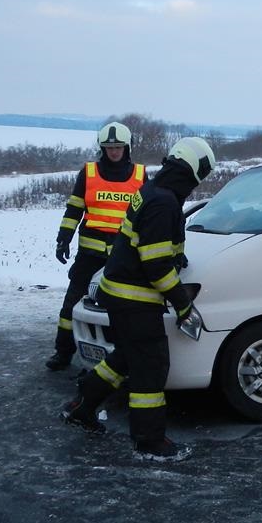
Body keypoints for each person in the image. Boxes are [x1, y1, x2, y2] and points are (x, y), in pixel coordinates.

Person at [60, 136, 215, 462]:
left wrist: (177, 254)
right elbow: (155, 264)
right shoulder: (163, 203)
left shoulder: (152, 191)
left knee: (127, 357)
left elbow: (152, 246)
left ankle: (82, 407)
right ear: (190, 173)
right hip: (135, 299)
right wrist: (182, 304)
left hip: (119, 293)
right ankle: (149, 441)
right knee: (151, 366)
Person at [46, 121, 144, 370]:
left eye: (118, 147)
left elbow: (147, 214)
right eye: (109, 147)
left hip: (123, 255)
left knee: (122, 308)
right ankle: (62, 352)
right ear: (102, 148)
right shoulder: (88, 173)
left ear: (126, 147)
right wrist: (63, 237)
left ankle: (117, 358)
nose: (114, 151)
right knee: (72, 303)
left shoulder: (140, 175)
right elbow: (74, 209)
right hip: (89, 255)